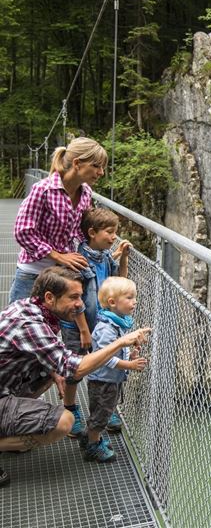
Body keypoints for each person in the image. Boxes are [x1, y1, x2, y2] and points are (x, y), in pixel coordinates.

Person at [0, 267, 150, 486]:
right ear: (50, 297)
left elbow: (45, 354)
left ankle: (11, 429)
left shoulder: (31, 309)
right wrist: (121, 342)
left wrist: (53, 372)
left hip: (7, 383)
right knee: (64, 423)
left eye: (80, 296)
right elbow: (74, 368)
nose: (81, 303)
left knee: (53, 374)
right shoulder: (30, 323)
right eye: (74, 297)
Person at [9, 136, 107, 304]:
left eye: (102, 167)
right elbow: (22, 232)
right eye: (96, 166)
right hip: (33, 272)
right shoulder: (43, 190)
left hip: (62, 275)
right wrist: (59, 256)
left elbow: (79, 231)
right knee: (19, 326)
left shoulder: (86, 193)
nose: (101, 172)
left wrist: (101, 249)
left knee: (51, 329)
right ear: (77, 163)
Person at [59, 208, 131, 437]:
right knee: (76, 369)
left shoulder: (105, 256)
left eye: (115, 232)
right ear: (92, 232)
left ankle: (103, 409)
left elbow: (118, 282)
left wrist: (123, 257)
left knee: (102, 366)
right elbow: (76, 298)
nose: (113, 237)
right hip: (78, 326)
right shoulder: (79, 261)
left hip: (100, 326)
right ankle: (70, 410)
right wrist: (83, 330)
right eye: (109, 233)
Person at [82, 277, 147, 463]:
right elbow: (105, 357)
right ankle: (93, 447)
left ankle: (90, 439)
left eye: (134, 297)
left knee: (104, 411)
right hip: (103, 381)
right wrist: (129, 365)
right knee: (101, 414)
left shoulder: (117, 322)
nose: (134, 301)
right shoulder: (106, 328)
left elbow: (118, 349)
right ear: (112, 302)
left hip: (110, 379)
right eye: (129, 297)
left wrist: (130, 356)